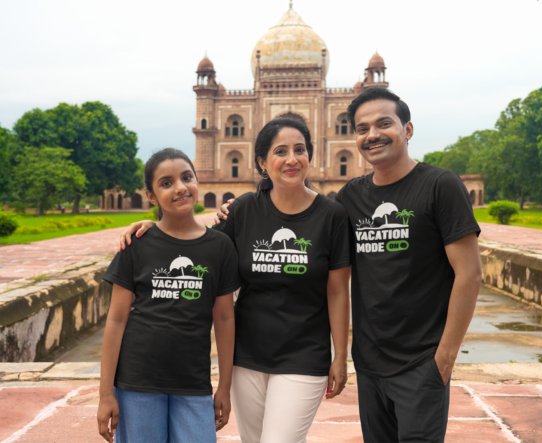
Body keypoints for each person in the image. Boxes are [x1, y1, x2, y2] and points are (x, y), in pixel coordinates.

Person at [217, 89, 482, 442]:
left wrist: (445, 358)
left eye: (384, 124)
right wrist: (157, 228)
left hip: (421, 360)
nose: (372, 135)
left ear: (408, 129)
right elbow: (208, 251)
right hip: (370, 361)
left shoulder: (439, 186)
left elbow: (470, 274)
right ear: (262, 161)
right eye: (362, 128)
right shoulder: (351, 199)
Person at [117, 119, 352, 443]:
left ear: (310, 155)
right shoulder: (243, 210)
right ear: (261, 162)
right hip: (248, 353)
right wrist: (156, 226)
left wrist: (341, 355)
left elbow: (338, 290)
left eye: (300, 150)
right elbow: (199, 248)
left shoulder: (331, 215)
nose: (292, 159)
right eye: (280, 151)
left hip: (304, 353)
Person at [98, 148, 240, 443]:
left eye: (187, 177)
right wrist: (105, 394)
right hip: (137, 380)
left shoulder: (219, 246)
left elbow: (225, 319)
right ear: (151, 196)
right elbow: (116, 319)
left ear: (197, 181)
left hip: (192, 381)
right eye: (166, 183)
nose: (180, 188)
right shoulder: (137, 244)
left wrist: (224, 387)